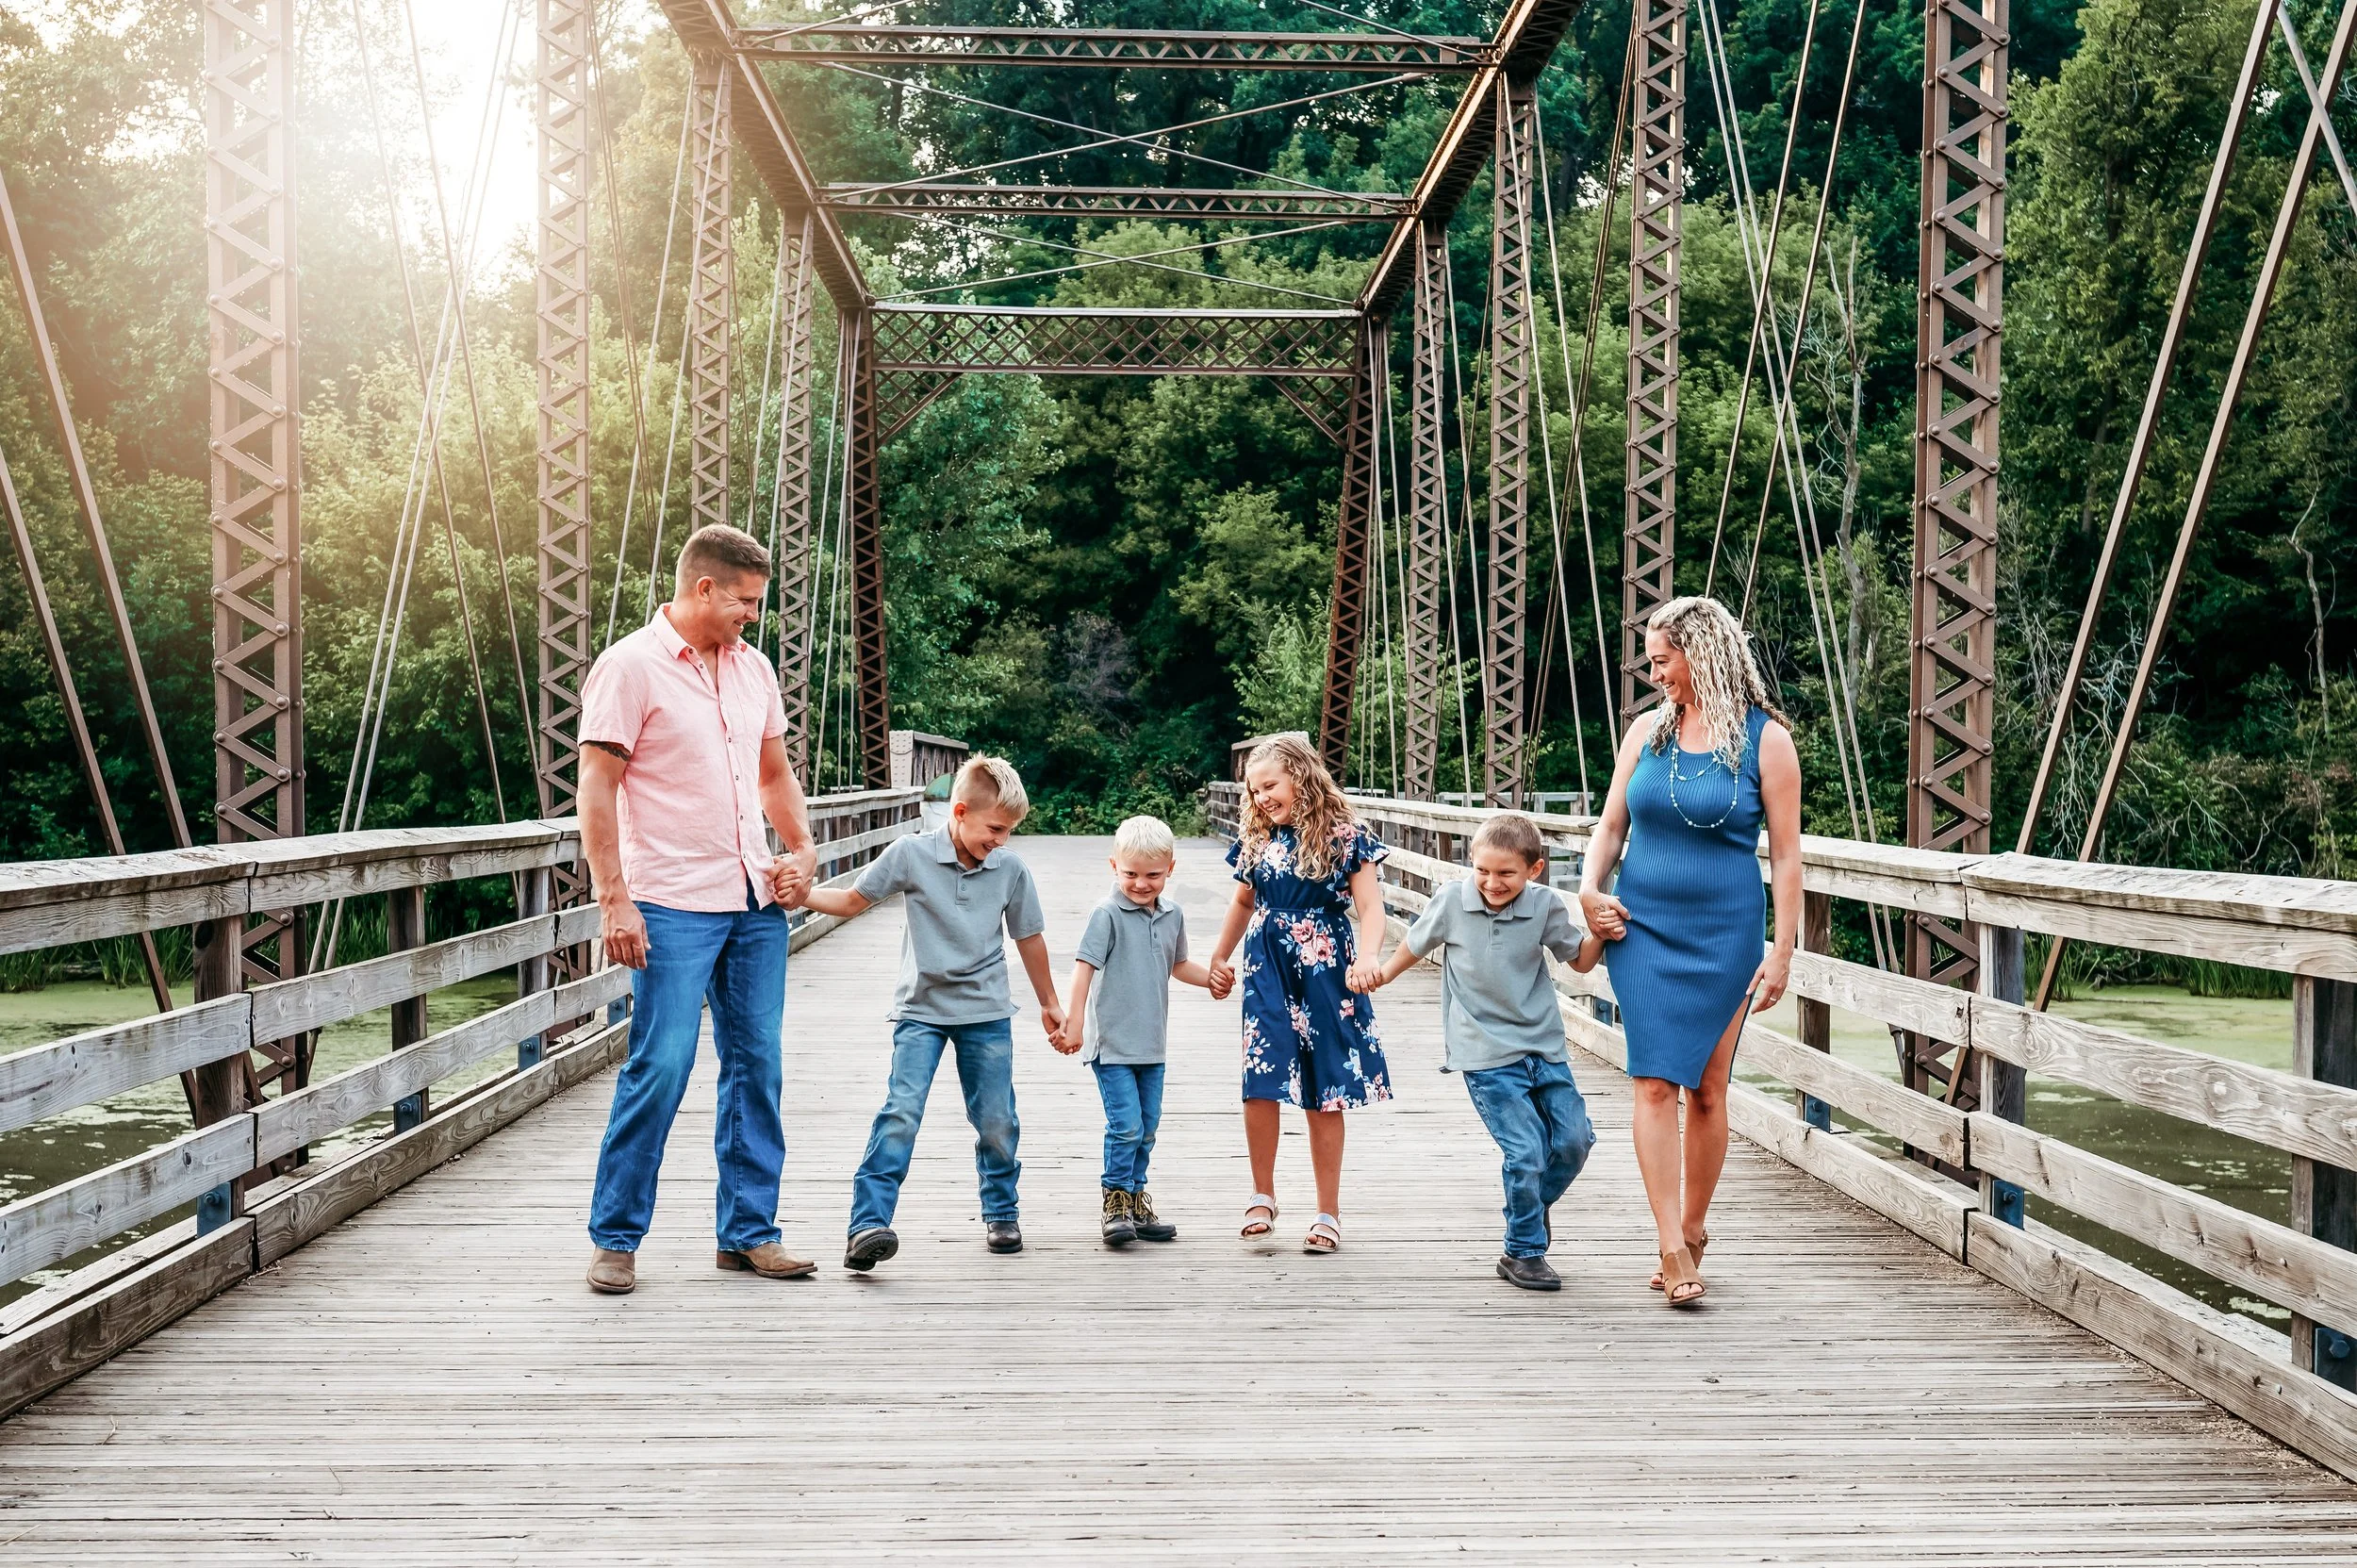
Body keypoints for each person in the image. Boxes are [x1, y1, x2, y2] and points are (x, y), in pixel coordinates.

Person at [578, 523, 821, 1296]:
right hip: (670, 899)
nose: (754, 615)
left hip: (752, 899)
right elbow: (597, 788)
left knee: (759, 1065)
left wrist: (803, 849)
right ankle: (616, 1238)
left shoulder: (754, 670)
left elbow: (774, 774)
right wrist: (614, 898)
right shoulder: (630, 668)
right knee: (663, 1063)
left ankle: (749, 1234)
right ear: (704, 588)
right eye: (746, 602)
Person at [1578, 596, 1802, 1308]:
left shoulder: (1767, 741)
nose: (1654, 675)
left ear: (1699, 654)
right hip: (1642, 929)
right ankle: (1669, 1246)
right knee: (1652, 1083)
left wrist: (1784, 950)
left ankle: (1695, 1228)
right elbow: (1610, 827)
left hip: (1725, 936)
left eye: (1662, 659)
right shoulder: (1646, 732)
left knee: (1708, 1087)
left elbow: (1790, 860)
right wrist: (1588, 888)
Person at [799, 755, 1064, 1270]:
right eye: (995, 828)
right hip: (920, 1008)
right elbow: (854, 901)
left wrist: (1050, 1003)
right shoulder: (911, 854)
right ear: (960, 811)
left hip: (986, 1009)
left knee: (996, 1119)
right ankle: (867, 1225)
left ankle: (1001, 1210)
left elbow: (1028, 937)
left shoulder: (1010, 868)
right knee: (901, 1113)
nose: (1002, 840)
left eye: (1010, 831)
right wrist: (801, 895)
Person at [1355, 813, 1605, 1292]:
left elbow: (1580, 960)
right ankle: (1523, 1252)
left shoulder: (1545, 905)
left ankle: (1529, 1207)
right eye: (1482, 870)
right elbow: (1412, 944)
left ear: (1534, 870)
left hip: (1543, 1044)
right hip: (1484, 1050)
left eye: (1506, 873)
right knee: (1526, 1150)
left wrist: (1602, 932)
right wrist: (1381, 975)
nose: (1491, 882)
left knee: (1575, 1141)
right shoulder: (1452, 900)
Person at [1206, 734, 1393, 1255]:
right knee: (1260, 1076)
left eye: (1271, 785)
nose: (1262, 797)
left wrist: (1370, 955)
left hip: (1326, 967)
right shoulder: (1258, 838)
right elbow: (1243, 903)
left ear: (1302, 777)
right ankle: (1262, 1194)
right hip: (1267, 965)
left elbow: (1371, 909)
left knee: (1325, 1084)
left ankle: (1328, 1211)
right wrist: (1220, 957)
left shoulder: (1345, 837)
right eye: (1254, 790)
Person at [1051, 815, 1213, 1247]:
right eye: (1131, 874)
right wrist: (1074, 1022)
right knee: (1124, 1125)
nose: (1141, 884)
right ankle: (1116, 1199)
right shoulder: (1106, 913)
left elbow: (1178, 965)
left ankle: (1138, 1197)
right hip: (1113, 1044)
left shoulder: (1172, 914)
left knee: (1148, 1126)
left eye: (1153, 875)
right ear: (1114, 867)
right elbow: (1084, 967)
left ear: (1170, 869)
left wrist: (1211, 978)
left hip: (1152, 1044)